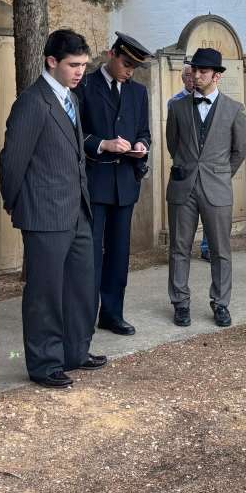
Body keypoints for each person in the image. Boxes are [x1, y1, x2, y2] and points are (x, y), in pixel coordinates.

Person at [0, 29, 106, 389]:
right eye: (73, 65)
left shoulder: (71, 99)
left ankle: (75, 351)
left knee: (81, 286)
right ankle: (44, 363)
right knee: (45, 292)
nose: (80, 71)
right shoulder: (32, 102)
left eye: (84, 65)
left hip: (77, 212)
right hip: (44, 215)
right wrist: (16, 204)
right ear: (51, 62)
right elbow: (12, 162)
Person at [164, 48, 246, 329]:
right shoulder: (176, 108)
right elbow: (173, 145)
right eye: (194, 71)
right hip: (183, 187)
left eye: (203, 71)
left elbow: (239, 150)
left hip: (217, 188)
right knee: (179, 248)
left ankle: (220, 303)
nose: (196, 76)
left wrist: (219, 174)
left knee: (220, 249)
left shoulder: (234, 109)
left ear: (216, 76)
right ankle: (180, 303)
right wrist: (190, 168)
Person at [78, 32, 152, 336]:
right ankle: (84, 319)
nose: (129, 71)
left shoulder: (139, 93)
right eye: (126, 64)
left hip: (125, 185)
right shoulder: (85, 86)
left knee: (119, 255)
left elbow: (144, 131)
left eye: (134, 67)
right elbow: (75, 134)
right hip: (95, 184)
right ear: (111, 55)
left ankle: (111, 314)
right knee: (91, 256)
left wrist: (142, 145)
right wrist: (103, 144)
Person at [170, 63, 208, 261]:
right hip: (186, 167)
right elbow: (172, 140)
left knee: (210, 211)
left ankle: (207, 248)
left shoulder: (211, 101)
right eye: (188, 75)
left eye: (194, 74)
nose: (192, 78)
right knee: (184, 215)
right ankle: (182, 250)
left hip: (208, 169)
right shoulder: (175, 102)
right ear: (183, 78)